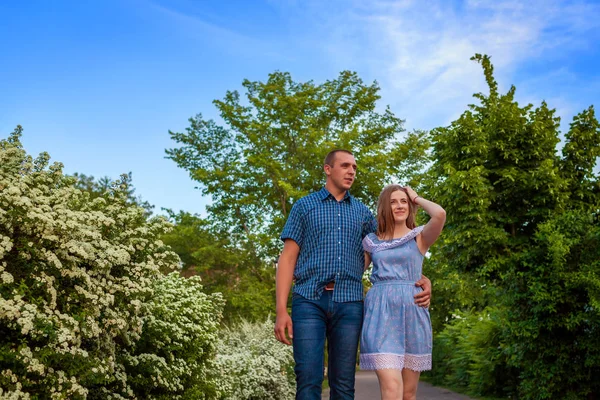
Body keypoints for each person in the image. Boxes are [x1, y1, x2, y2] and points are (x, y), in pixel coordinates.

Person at [274, 150, 432, 400]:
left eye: (354, 167)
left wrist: (421, 279)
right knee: (308, 378)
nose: (351, 171)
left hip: (349, 303)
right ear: (328, 169)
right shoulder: (304, 206)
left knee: (344, 383)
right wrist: (281, 310)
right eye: (345, 166)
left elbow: (392, 248)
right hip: (308, 299)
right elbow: (288, 258)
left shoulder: (363, 214)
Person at [360, 184, 446, 400]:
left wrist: (415, 197)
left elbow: (440, 214)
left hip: (413, 315)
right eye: (393, 202)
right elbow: (352, 272)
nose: (399, 206)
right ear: (385, 208)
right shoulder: (372, 242)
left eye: (403, 201)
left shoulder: (420, 237)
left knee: (408, 394)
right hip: (380, 316)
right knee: (391, 388)